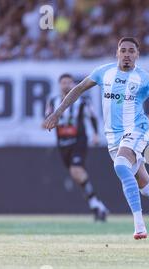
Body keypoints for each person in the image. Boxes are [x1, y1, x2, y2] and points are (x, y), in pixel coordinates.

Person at [43, 37, 149, 239]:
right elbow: (77, 89)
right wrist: (58, 113)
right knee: (147, 189)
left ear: (137, 55)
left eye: (131, 51)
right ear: (117, 53)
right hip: (113, 137)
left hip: (136, 129)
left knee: (121, 165)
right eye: (123, 50)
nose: (127, 55)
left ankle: (139, 226)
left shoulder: (145, 79)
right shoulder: (104, 72)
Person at [45, 73, 109, 221]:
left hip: (78, 140)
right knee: (76, 174)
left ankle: (95, 204)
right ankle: (96, 204)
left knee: (76, 169)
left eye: (69, 82)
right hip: (62, 143)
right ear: (59, 85)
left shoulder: (83, 101)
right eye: (63, 83)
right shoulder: (53, 101)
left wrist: (95, 134)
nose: (66, 85)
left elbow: (92, 116)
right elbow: (47, 118)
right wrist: (45, 124)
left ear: (73, 84)